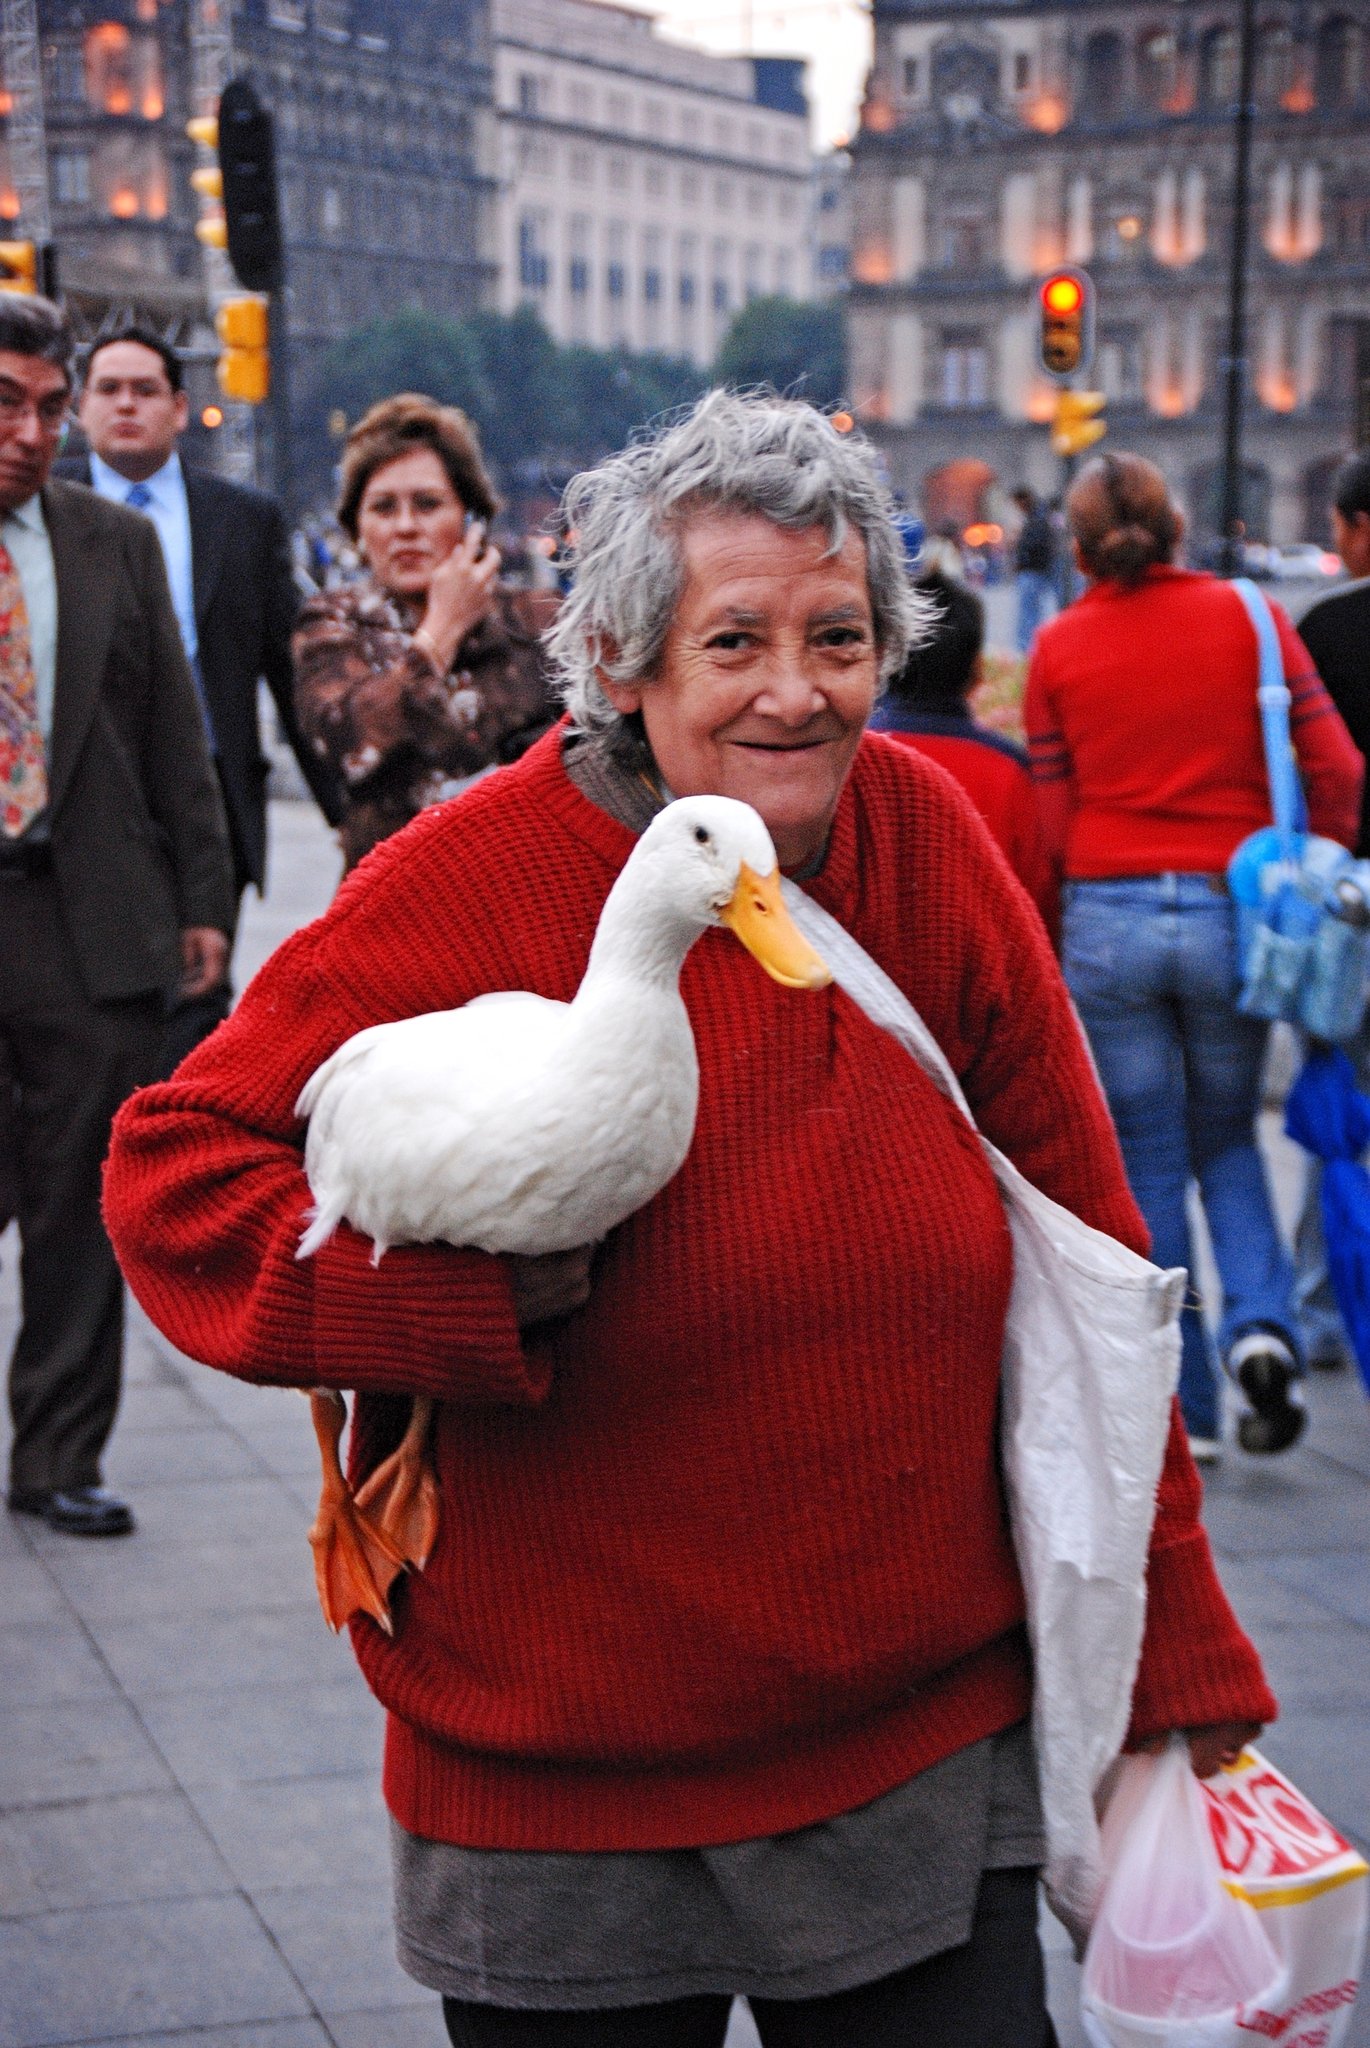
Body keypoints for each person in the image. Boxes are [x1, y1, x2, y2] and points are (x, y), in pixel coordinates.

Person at [106, 393, 1274, 2047]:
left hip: (913, 1765)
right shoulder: (474, 875)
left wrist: (1182, 1661)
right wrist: (454, 1306)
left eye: (839, 636)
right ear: (625, 660)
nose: (796, 691)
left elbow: (1094, 1261)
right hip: (558, 1803)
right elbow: (176, 1169)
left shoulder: (921, 840)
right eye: (733, 641)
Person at [1025, 451, 1362, 1463]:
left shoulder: (1056, 646)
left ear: (1079, 550)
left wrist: (1063, 925)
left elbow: (1049, 824)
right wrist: (1309, 867)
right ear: (1177, 530)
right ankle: (1261, 1329)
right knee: (1227, 1134)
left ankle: (1189, 1408)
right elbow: (1338, 770)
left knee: (1146, 1155)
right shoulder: (1251, 620)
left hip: (1107, 916)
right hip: (1229, 912)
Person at [0, 296, 234, 1538]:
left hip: (82, 917)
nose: (32, 433)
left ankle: (56, 1455)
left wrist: (203, 902)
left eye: (49, 407)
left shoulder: (111, 543)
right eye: (7, 403)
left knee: (75, 1210)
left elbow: (171, 738)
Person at [56, 326, 343, 1067]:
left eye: (145, 390)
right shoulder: (42, 505)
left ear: (180, 409)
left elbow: (289, 671)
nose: (126, 405)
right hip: (81, 801)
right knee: (91, 1019)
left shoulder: (242, 520)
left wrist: (345, 813)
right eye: (108, 390)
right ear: (79, 407)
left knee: (195, 1004)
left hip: (209, 808)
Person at [291, 392, 558, 873]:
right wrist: (440, 633)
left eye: (428, 504)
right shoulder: (332, 623)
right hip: (390, 892)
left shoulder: (539, 619)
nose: (406, 527)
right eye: (383, 508)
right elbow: (346, 744)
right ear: (358, 528)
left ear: (470, 517)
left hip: (523, 884)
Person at [1287, 452, 1370, 1371]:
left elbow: (1313, 769)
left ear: (1360, 528)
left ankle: (1320, 1309)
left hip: (1351, 908)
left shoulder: (1328, 628)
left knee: (1338, 1114)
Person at [870, 567, 1056, 935]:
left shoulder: (851, 760)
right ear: (976, 670)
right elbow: (1040, 900)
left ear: (886, 661)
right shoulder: (1009, 771)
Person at [1012, 488, 1056, 652]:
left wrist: (1022, 555)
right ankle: (1029, 646)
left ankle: (1027, 647)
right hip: (1036, 568)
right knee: (1032, 610)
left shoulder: (1037, 518)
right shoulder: (1038, 516)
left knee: (1029, 611)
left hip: (1033, 569)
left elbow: (1036, 543)